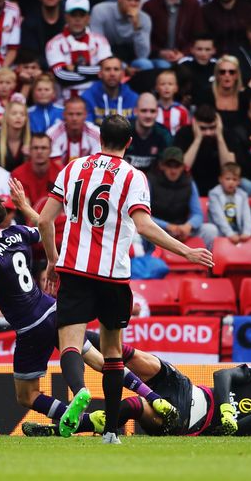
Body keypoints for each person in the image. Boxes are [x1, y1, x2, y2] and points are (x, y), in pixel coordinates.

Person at [0, 189, 179, 437]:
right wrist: (25, 205)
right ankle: (153, 397)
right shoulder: (16, 233)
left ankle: (87, 419)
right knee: (102, 361)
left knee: (27, 395)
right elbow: (44, 225)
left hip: (30, 327)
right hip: (52, 309)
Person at [37, 115, 213, 444]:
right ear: (129, 143)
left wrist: (51, 259)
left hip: (73, 268)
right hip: (113, 275)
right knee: (113, 352)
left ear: (98, 137)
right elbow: (144, 226)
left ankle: (79, 391)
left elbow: (45, 221)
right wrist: (186, 252)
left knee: (70, 343)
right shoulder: (133, 176)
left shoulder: (72, 168)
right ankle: (110, 433)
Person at [23, 338, 251, 437]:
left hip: (188, 420)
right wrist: (227, 407)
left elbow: (235, 433)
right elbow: (222, 377)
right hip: (189, 389)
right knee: (137, 357)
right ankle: (80, 339)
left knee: (132, 406)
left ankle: (69, 426)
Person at [149, 147, 219, 250]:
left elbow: (197, 214)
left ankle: (207, 264)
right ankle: (149, 262)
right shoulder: (149, 181)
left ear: (183, 167)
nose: (173, 170)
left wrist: (188, 226)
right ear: (162, 166)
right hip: (158, 229)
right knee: (139, 231)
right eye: (169, 165)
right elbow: (144, 216)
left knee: (210, 230)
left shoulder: (189, 183)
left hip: (182, 229)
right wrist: (167, 226)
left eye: (177, 166)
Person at [46, 0, 113, 101]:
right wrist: (95, 74)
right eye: (73, 15)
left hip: (96, 99)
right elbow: (61, 76)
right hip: (64, 100)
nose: (77, 19)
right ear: (66, 17)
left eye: (81, 15)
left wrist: (76, 69)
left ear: (88, 18)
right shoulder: (54, 43)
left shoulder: (100, 41)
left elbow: (108, 70)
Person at [174, 104, 236, 196]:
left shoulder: (225, 134)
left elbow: (230, 170)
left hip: (219, 187)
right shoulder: (184, 134)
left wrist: (219, 137)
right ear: (194, 123)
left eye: (212, 128)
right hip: (190, 185)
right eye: (203, 128)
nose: (208, 133)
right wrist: (198, 139)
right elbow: (181, 169)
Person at [89, 0, 155, 71]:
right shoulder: (101, 11)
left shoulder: (144, 19)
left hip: (131, 59)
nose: (133, 4)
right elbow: (97, 48)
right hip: (106, 58)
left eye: (137, 0)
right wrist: (124, 67)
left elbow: (143, 55)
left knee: (145, 64)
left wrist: (136, 26)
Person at [143, 0, 204, 67]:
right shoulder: (150, 5)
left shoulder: (192, 5)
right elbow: (145, 38)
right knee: (163, 66)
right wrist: (160, 52)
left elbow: (197, 36)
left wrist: (183, 53)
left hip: (185, 56)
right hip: (157, 57)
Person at [80, 57, 139, 127]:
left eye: (116, 69)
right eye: (107, 69)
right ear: (100, 74)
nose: (112, 74)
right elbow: (87, 127)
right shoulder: (87, 97)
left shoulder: (134, 98)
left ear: (123, 74)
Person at [11, 133, 63, 207]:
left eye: (44, 148)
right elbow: (25, 206)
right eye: (35, 148)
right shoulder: (18, 174)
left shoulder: (61, 173)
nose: (39, 151)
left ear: (51, 151)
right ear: (29, 150)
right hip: (28, 215)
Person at [46, 97, 102, 164]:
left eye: (78, 114)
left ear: (85, 115)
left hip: (87, 173)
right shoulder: (52, 134)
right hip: (60, 173)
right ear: (63, 114)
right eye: (70, 114)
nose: (74, 118)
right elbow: (55, 165)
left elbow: (96, 163)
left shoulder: (97, 134)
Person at [207, 162, 251, 243]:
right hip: (220, 233)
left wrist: (247, 232)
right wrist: (230, 234)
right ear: (220, 179)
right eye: (228, 179)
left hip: (238, 234)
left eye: (234, 179)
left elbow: (247, 215)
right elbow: (218, 217)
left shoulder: (243, 195)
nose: (231, 182)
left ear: (239, 181)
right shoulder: (214, 194)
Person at [126, 92, 172, 173]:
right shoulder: (124, 131)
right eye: (144, 111)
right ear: (135, 111)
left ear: (157, 112)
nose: (148, 115)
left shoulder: (164, 134)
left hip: (154, 182)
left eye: (152, 111)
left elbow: (169, 166)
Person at [21, 0, 65, 70]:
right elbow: (30, 54)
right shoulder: (30, 22)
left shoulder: (68, 21)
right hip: (39, 69)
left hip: (65, 67)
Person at [176, 33, 217, 108]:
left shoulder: (218, 66)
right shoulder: (184, 64)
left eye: (207, 49)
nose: (203, 53)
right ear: (192, 50)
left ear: (214, 50)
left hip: (211, 107)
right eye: (199, 49)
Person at [0, 101, 30, 172]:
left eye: (22, 114)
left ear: (26, 119)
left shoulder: (33, 140)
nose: (18, 117)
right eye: (14, 114)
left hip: (23, 182)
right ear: (6, 117)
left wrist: (31, 157)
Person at [155, 70, 189, 136]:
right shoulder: (151, 109)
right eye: (162, 84)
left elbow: (185, 132)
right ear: (157, 88)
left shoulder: (182, 110)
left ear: (176, 88)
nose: (166, 87)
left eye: (170, 84)